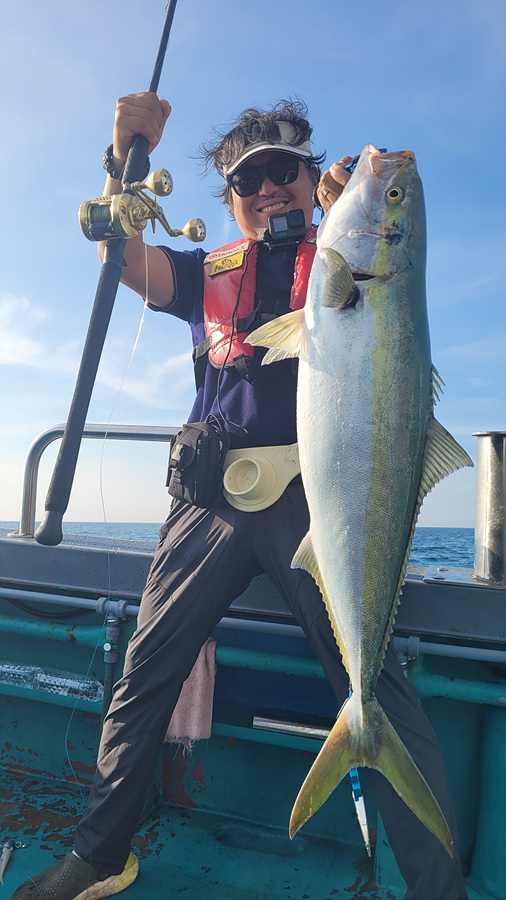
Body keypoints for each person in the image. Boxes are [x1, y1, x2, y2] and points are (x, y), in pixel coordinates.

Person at [13, 93, 469, 900]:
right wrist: (121, 159)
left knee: (380, 690)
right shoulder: (205, 273)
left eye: (284, 171)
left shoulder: (345, 256)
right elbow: (121, 256)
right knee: (144, 672)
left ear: (312, 180)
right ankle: (99, 853)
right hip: (211, 503)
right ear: (229, 199)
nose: (267, 189)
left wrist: (353, 198)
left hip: (320, 500)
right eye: (247, 181)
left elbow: (381, 239)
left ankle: (439, 889)